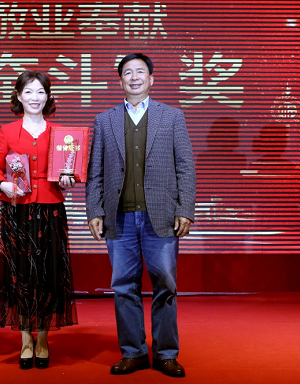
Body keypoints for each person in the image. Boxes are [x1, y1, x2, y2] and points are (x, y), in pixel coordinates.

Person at [85, 53, 196, 378]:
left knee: (165, 285)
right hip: (118, 217)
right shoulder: (104, 120)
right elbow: (95, 172)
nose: (134, 77)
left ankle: (166, 354)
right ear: (120, 80)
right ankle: (133, 352)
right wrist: (94, 211)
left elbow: (185, 167)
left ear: (151, 79)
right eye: (128, 73)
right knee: (123, 287)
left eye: (140, 72)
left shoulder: (172, 116)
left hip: (160, 216)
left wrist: (185, 209)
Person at [0, 70, 78, 370]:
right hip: (18, 211)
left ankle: (43, 338)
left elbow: (70, 170)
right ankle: (26, 338)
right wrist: (3, 185)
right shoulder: (8, 130)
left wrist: (68, 180)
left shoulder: (61, 133)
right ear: (18, 96)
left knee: (49, 275)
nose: (35, 97)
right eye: (28, 91)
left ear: (48, 96)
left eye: (40, 92)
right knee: (22, 276)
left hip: (51, 210)